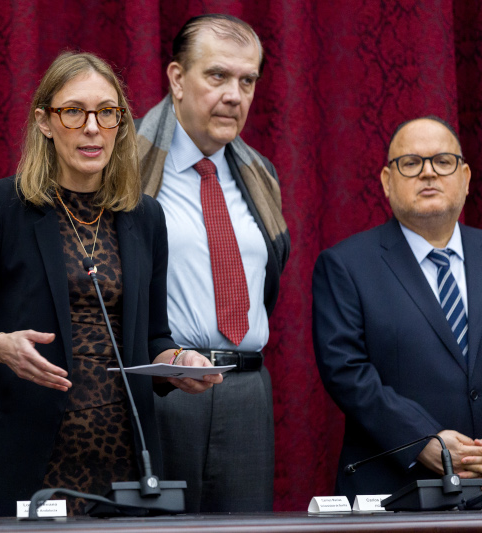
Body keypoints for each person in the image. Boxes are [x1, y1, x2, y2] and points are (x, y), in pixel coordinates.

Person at [0, 51, 221, 517]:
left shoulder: (145, 216)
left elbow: (154, 339)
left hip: (122, 462)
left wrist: (178, 361)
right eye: (74, 112)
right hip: (23, 461)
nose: (92, 127)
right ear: (45, 122)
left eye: (107, 113)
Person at [135, 14, 290, 512]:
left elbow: (268, 285)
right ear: (177, 79)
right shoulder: (125, 165)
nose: (234, 95)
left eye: (247, 81)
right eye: (217, 76)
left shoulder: (260, 174)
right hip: (159, 390)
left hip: (246, 391)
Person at [313, 116, 482, 500]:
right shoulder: (346, 265)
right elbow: (347, 372)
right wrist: (421, 439)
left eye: (443, 161)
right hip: (393, 490)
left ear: (466, 177)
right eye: (411, 163)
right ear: (387, 181)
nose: (428, 173)